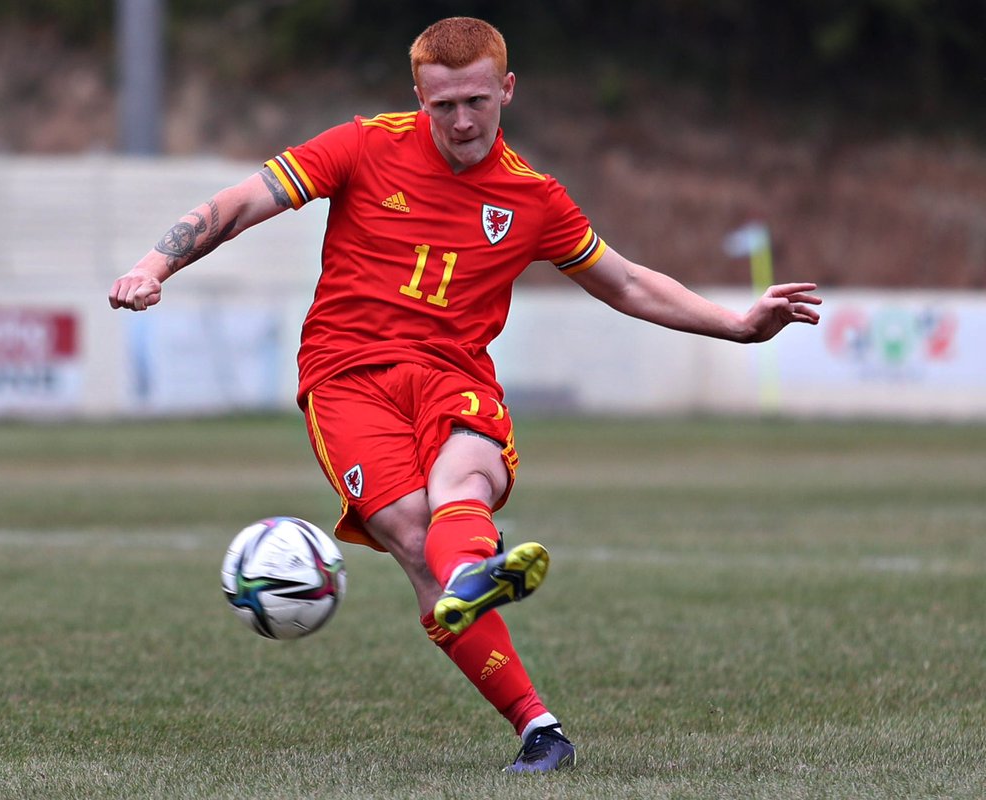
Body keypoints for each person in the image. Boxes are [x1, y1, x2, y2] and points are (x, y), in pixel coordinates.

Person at [109, 16, 821, 774]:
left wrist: (739, 325)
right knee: (415, 538)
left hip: (454, 376)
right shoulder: (361, 144)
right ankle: (537, 723)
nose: (460, 120)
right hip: (346, 379)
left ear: (506, 89)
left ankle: (474, 571)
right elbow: (243, 201)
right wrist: (156, 265)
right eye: (442, 104)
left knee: (463, 482)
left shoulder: (532, 198)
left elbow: (627, 282)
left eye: (476, 100)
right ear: (418, 95)